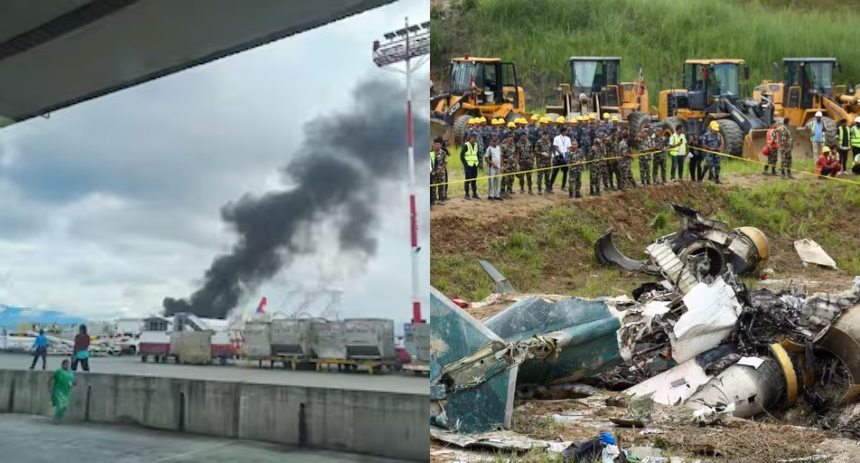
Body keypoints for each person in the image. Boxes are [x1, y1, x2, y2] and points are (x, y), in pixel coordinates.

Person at [49, 359, 75, 424]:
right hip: (59, 390)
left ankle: (60, 417)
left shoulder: (71, 372)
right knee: (60, 405)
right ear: (62, 365)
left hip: (67, 391)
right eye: (65, 364)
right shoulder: (58, 372)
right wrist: (49, 387)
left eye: (68, 364)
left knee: (64, 406)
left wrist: (73, 383)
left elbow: (74, 381)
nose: (67, 366)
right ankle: (56, 418)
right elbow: (51, 378)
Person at [549, 126, 572, 194]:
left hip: (565, 156)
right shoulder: (556, 138)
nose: (567, 132)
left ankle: (563, 186)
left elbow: (569, 147)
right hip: (558, 157)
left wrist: (567, 155)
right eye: (566, 131)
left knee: (565, 172)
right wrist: (561, 154)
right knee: (555, 172)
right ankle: (550, 186)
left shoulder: (568, 138)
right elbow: (556, 147)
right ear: (563, 131)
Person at [461, 133, 481, 200]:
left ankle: (474, 194)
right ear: (470, 138)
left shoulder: (476, 145)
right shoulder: (466, 145)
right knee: (467, 180)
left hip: (475, 165)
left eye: (475, 138)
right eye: (473, 138)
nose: (474, 139)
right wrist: (465, 164)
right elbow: (462, 156)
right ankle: (466, 194)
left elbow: (477, 154)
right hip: (468, 165)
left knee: (474, 180)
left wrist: (478, 163)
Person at [515, 125, 534, 195]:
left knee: (529, 177)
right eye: (523, 136)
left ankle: (530, 189)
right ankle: (522, 188)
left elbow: (531, 152)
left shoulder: (529, 143)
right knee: (521, 177)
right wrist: (517, 164)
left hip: (528, 162)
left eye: (525, 136)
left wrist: (532, 161)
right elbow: (517, 154)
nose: (524, 137)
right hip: (521, 163)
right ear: (520, 137)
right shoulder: (518, 144)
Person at [534, 129, 553, 194]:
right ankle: (539, 189)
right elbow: (535, 151)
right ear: (543, 135)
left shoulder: (549, 142)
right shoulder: (539, 142)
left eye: (548, 136)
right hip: (540, 162)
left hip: (548, 161)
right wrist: (542, 153)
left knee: (547, 175)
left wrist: (551, 154)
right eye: (546, 136)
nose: (547, 137)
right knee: (540, 176)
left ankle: (547, 188)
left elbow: (550, 150)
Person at [501, 129, 517, 199]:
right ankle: (502, 191)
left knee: (511, 178)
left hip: (512, 165)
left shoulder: (513, 146)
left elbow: (515, 155)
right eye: (510, 139)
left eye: (512, 139)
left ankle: (509, 190)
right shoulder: (504, 146)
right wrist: (502, 166)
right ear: (507, 139)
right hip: (506, 165)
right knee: (505, 178)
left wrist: (516, 164)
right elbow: (501, 156)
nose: (511, 140)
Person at [430, 141, 443, 206]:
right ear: (434, 145)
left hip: (440, 172)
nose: (437, 146)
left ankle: (441, 199)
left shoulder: (443, 152)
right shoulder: (431, 152)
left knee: (441, 186)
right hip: (432, 173)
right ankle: (433, 200)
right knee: (433, 187)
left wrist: (441, 170)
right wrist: (433, 171)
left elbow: (445, 162)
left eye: (439, 144)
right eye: (436, 144)